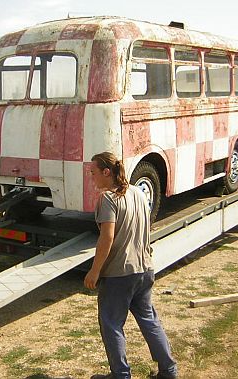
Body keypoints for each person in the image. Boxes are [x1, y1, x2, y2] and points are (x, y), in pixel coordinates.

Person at [84, 152, 177, 379]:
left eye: (93, 173)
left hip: (119, 274)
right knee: (149, 320)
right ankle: (168, 370)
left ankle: (120, 374)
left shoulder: (108, 199)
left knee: (111, 323)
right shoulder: (138, 192)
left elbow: (106, 238)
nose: (91, 177)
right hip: (144, 268)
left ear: (107, 172)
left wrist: (94, 271)